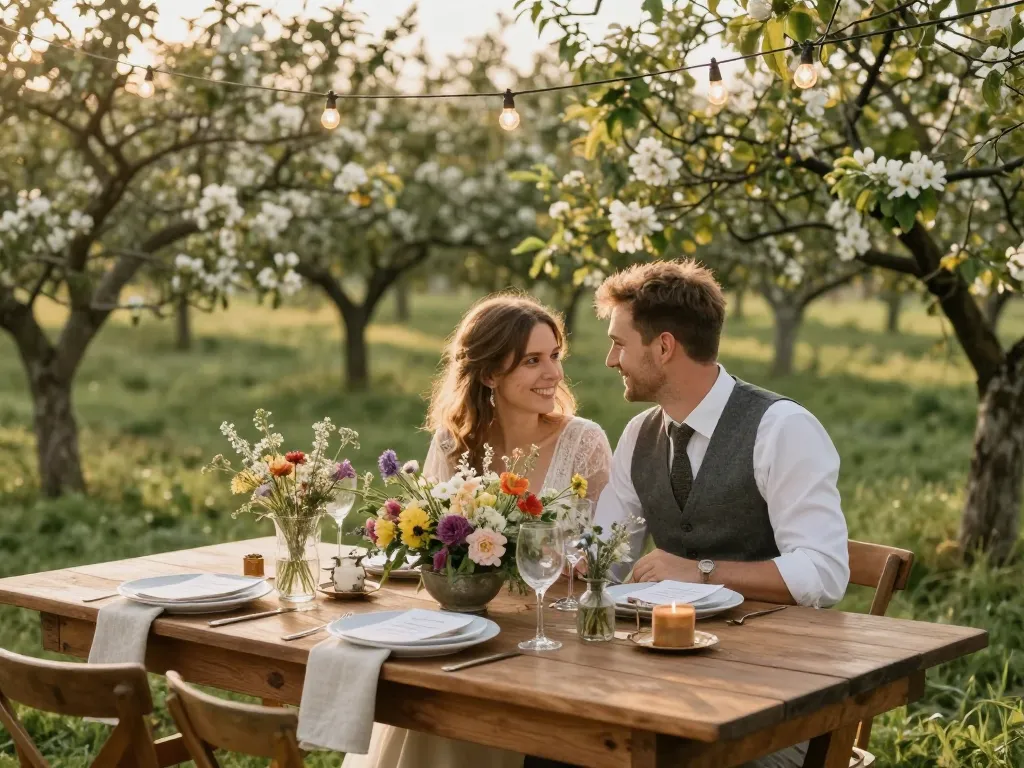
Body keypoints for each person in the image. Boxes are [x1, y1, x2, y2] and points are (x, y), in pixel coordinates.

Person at [592, 260, 850, 768]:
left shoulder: (782, 428)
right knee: (554, 748)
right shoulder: (638, 435)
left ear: (664, 347)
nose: (610, 359)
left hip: (775, 697)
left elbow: (825, 571)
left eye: (619, 343)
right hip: (665, 683)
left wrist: (700, 572)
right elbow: (604, 553)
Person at [344, 291, 613, 768]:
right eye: (532, 360)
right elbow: (430, 545)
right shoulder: (454, 441)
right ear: (490, 373)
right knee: (440, 694)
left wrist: (579, 564)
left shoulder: (584, 441)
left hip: (553, 638)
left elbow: (605, 553)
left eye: (554, 356)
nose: (553, 373)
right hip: (469, 625)